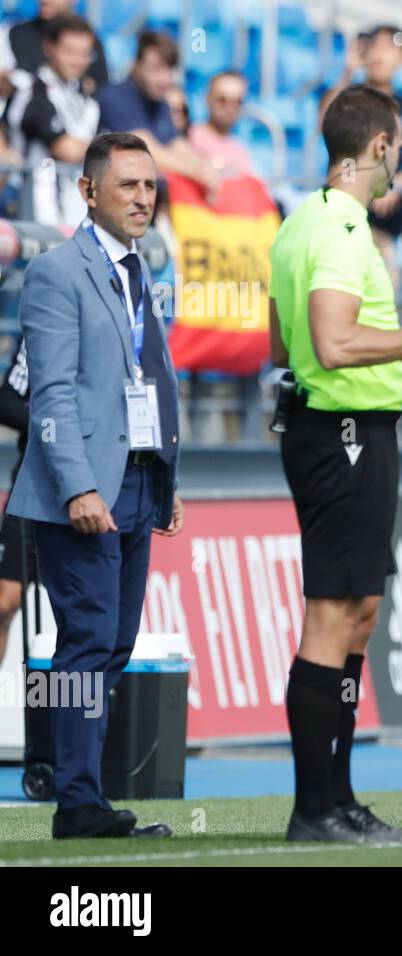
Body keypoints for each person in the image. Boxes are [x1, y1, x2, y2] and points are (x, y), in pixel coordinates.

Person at [268, 84, 402, 843]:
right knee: (331, 618)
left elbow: (281, 347)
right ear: (382, 146)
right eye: (398, 149)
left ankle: (340, 799)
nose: (399, 165)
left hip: (353, 426)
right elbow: (331, 344)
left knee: (359, 616)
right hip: (341, 432)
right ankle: (313, 809)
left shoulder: (305, 222)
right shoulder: (337, 229)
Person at [5, 132, 182, 839]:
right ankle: (77, 804)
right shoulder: (56, 271)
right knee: (85, 644)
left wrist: (168, 477)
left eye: (149, 186)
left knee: (112, 644)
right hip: (84, 490)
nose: (143, 199)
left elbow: (152, 384)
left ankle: (87, 794)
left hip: (140, 480)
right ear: (88, 191)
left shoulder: (142, 272)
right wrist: (79, 488)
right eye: (128, 186)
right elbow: (50, 397)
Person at [318, 25, 402, 274]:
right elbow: (324, 122)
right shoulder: (349, 98)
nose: (380, 55)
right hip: (340, 218)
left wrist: (392, 183)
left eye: (389, 48)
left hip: (383, 229)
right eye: (375, 47)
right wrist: (348, 70)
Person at [2, 13, 99, 228]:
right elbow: (65, 148)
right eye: (69, 51)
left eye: (84, 53)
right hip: (33, 211)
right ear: (49, 48)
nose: (77, 60)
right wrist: (109, 151)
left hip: (75, 212)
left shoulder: (87, 99)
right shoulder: (33, 92)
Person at [96, 30, 218, 197]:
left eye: (169, 70)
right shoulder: (114, 97)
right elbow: (145, 150)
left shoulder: (161, 103)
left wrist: (205, 168)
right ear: (136, 66)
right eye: (155, 70)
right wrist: (196, 171)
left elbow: (177, 145)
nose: (164, 79)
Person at [0, 0, 110, 100]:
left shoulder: (90, 41)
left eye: (81, 53)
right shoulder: (13, 34)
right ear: (49, 48)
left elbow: (101, 89)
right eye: (69, 51)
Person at [0, 338, 33, 669]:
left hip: (100, 490)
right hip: (33, 488)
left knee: (85, 617)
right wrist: (53, 429)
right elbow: (6, 400)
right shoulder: (40, 330)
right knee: (4, 603)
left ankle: (78, 715)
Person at [187, 70, 252, 178]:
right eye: (222, 100)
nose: (230, 108)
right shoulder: (191, 138)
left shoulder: (240, 150)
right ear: (207, 99)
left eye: (238, 102)